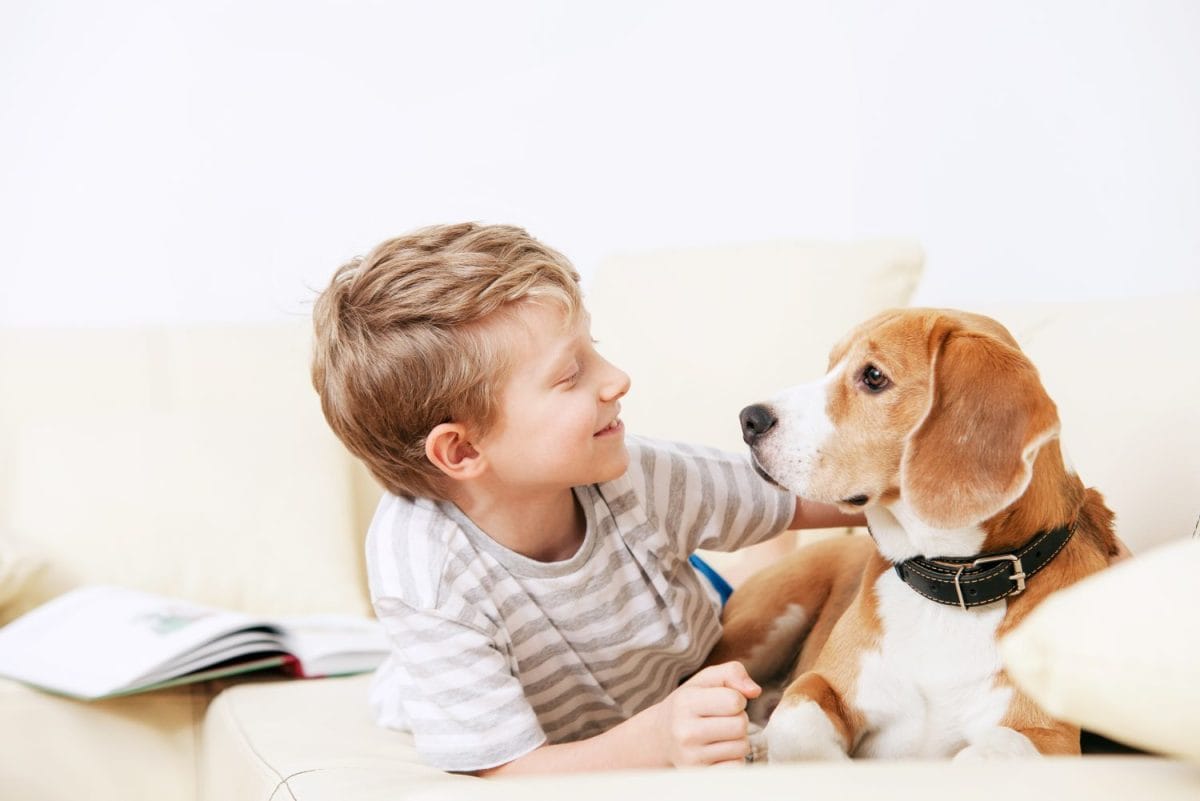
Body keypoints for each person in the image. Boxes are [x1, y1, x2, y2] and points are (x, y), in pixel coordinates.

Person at [310, 222, 863, 775]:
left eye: (592, 349)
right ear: (460, 450)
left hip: (673, 629)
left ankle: (746, 562)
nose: (617, 379)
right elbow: (508, 769)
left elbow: (819, 494)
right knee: (754, 567)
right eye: (570, 374)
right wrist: (656, 741)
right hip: (489, 698)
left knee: (767, 550)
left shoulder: (634, 474)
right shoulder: (425, 575)